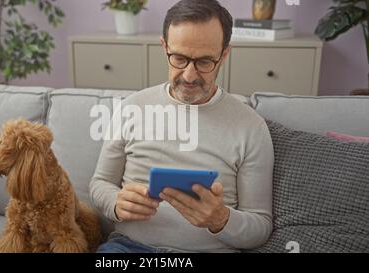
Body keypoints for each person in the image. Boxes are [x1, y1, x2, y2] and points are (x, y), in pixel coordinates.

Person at [89, 0, 274, 253]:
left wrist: (221, 219)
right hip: (129, 248)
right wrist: (115, 202)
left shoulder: (251, 127)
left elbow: (260, 226)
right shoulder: (131, 108)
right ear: (164, 47)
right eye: (179, 58)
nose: (189, 76)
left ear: (224, 55)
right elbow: (100, 183)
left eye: (205, 62)